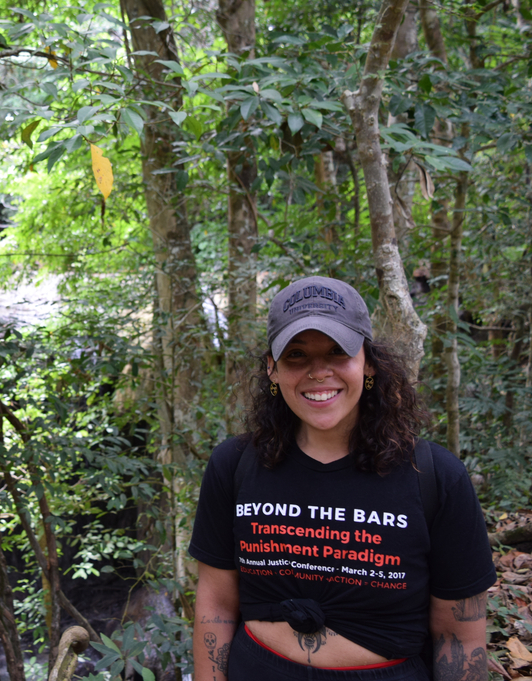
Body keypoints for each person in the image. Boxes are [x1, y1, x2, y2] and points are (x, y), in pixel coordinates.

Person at [189, 276, 495, 681]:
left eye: (338, 352)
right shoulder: (235, 463)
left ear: (368, 361)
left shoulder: (435, 476)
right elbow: (215, 606)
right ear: (272, 369)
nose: (319, 372)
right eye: (296, 354)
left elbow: (461, 637)